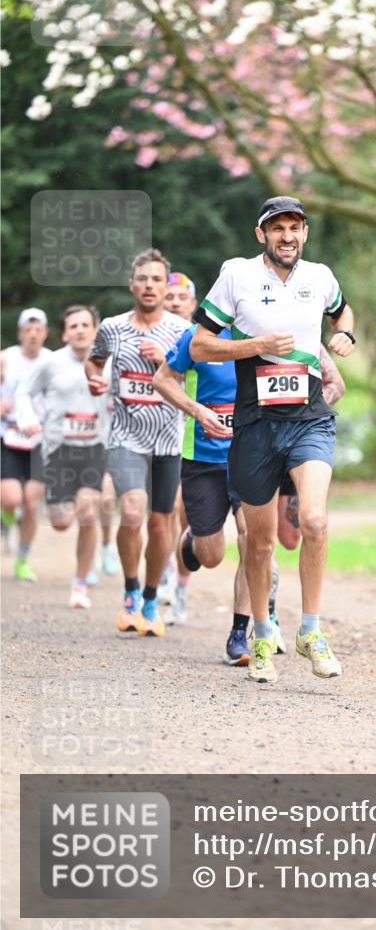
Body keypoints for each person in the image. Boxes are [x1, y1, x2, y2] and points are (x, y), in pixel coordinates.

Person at [190, 195, 355, 684]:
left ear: (305, 234)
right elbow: (201, 343)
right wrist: (257, 346)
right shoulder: (237, 275)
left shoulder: (320, 277)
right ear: (261, 233)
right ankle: (262, 634)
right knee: (259, 545)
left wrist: (346, 337)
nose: (288, 236)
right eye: (277, 228)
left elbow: (342, 314)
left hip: (309, 418)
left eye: (296, 228)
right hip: (255, 426)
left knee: (315, 520)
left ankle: (311, 631)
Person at [85, 248, 189, 636]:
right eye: (142, 278)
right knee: (132, 512)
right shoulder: (112, 327)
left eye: (157, 279)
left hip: (168, 439)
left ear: (166, 286)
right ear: (132, 284)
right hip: (126, 436)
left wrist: (166, 359)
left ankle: (149, 598)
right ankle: (129, 592)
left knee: (161, 525)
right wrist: (93, 379)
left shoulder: (181, 331)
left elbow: (194, 379)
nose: (149, 285)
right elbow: (95, 361)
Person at [152, 322, 255, 664]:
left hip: (253, 457)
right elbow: (162, 379)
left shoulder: (265, 333)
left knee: (251, 537)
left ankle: (240, 632)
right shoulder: (197, 337)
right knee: (210, 557)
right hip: (203, 458)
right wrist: (196, 410)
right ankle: (191, 538)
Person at [15, 306, 108, 609]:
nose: (80, 330)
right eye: (73, 326)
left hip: (94, 447)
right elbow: (22, 393)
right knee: (60, 521)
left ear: (95, 330)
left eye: (85, 324)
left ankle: (80, 584)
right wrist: (28, 419)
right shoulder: (52, 363)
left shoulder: (109, 362)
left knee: (88, 512)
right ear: (65, 333)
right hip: (57, 448)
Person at [270, 346, 346, 639]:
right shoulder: (245, 331)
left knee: (290, 539)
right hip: (254, 438)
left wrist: (306, 413)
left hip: (298, 440)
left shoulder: (307, 334)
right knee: (258, 536)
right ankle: (266, 611)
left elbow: (336, 384)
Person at [157, 272, 198, 607]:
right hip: (161, 430)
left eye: (180, 298)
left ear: (192, 304)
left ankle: (181, 585)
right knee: (166, 506)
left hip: (194, 431)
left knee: (185, 514)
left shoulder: (200, 337)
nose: (173, 302)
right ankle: (168, 573)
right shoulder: (148, 331)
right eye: (168, 297)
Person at [0, 308, 51, 581]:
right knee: (11, 498)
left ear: (45, 332)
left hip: (40, 440)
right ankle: (7, 512)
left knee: (32, 504)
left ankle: (22, 559)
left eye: (38, 329)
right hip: (9, 435)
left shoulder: (52, 361)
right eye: (27, 329)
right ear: (20, 332)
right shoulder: (5, 359)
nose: (32, 334)